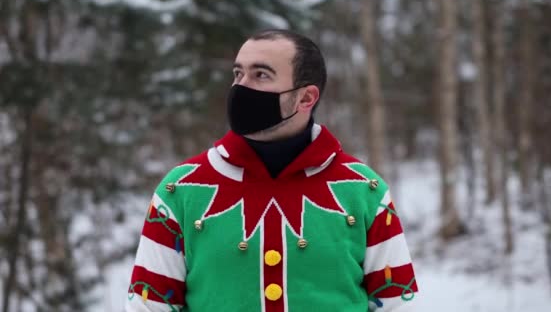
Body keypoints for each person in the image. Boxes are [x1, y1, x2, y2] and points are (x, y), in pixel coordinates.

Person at [125, 29, 418, 311]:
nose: (241, 86)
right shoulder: (182, 190)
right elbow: (148, 306)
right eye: (238, 73)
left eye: (260, 75)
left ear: (306, 98)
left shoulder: (362, 189)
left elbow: (397, 304)